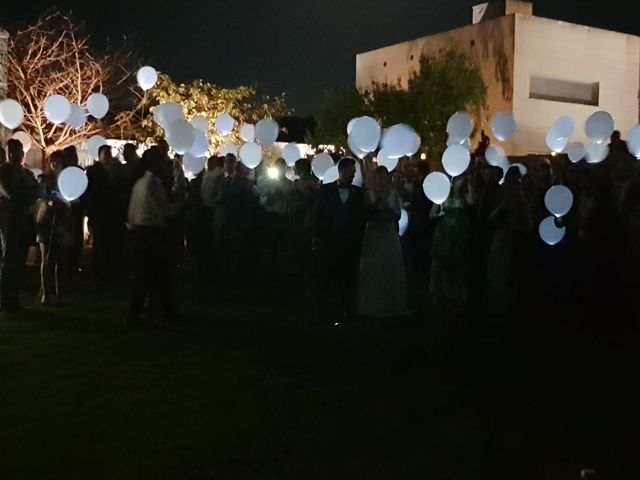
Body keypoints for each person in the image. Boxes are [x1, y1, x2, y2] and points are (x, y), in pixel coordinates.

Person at [125, 147, 178, 324]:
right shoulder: (153, 183)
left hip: (138, 232)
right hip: (152, 233)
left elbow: (132, 212)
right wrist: (180, 205)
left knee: (142, 276)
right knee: (160, 275)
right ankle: (163, 311)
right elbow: (161, 210)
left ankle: (139, 312)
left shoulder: (139, 183)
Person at [314, 157, 365, 320]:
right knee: (327, 276)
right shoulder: (325, 190)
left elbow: (360, 218)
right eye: (351, 170)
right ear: (341, 171)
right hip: (330, 241)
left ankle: (346, 310)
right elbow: (319, 214)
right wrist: (318, 235)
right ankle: (325, 309)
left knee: (348, 278)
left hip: (350, 243)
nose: (353, 174)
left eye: (354, 171)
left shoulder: (358, 193)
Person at [358, 166, 409, 317]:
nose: (384, 181)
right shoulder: (370, 194)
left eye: (386, 178)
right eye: (381, 178)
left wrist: (390, 211)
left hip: (389, 232)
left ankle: (391, 302)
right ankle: (373, 303)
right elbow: (368, 214)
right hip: (375, 233)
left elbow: (398, 214)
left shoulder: (393, 194)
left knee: (390, 264)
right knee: (375, 265)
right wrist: (380, 207)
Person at [484, 166, 532, 315]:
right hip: (502, 241)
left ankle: (507, 305)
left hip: (514, 243)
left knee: (509, 275)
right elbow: (491, 219)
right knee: (499, 274)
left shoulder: (522, 203)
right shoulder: (503, 201)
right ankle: (498, 304)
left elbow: (528, 225)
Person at [0, 140, 40, 312]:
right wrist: (26, 196)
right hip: (9, 221)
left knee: (19, 260)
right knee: (9, 260)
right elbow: (10, 193)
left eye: (15, 151)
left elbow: (37, 192)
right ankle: (5, 299)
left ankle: (14, 298)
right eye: (10, 151)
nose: (12, 155)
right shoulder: (2, 172)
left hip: (24, 221)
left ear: (22, 154)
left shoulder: (27, 173)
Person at [429, 175, 473, 307]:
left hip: (459, 235)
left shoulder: (464, 198)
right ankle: (437, 295)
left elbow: (472, 203)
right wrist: (439, 215)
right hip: (443, 234)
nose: (461, 182)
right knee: (439, 265)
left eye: (462, 180)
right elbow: (431, 215)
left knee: (458, 265)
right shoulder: (442, 198)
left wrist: (469, 188)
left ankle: (456, 295)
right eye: (459, 179)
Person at [212, 154, 254, 291]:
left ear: (235, 164)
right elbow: (211, 197)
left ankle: (235, 282)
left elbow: (247, 202)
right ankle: (221, 280)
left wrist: (246, 221)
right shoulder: (218, 179)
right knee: (221, 250)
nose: (229, 165)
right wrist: (219, 198)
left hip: (236, 220)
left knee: (235, 251)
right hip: (221, 219)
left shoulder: (242, 181)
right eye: (226, 162)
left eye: (231, 162)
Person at [36, 151, 73, 305]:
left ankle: (60, 294)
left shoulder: (69, 180)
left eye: (58, 161)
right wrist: (49, 201)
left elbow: (74, 198)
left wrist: (67, 203)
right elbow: (39, 195)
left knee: (61, 260)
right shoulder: (45, 179)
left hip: (63, 220)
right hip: (47, 219)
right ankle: (45, 292)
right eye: (52, 161)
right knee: (47, 258)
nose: (55, 164)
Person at [85, 145, 127, 280]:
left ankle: (111, 269)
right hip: (99, 211)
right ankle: (100, 270)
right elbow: (90, 191)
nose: (108, 156)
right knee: (99, 242)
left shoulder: (117, 170)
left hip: (113, 212)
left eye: (109, 153)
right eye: (105, 153)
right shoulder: (94, 170)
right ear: (99, 155)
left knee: (112, 242)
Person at [255, 158, 292, 282]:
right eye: (279, 167)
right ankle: (270, 272)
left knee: (282, 246)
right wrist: (269, 198)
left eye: (283, 167)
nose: (281, 169)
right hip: (270, 216)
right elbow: (262, 199)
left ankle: (281, 273)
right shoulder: (268, 182)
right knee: (270, 245)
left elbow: (290, 198)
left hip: (282, 217)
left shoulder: (288, 183)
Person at [288, 158, 319, 299]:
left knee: (307, 256)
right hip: (299, 222)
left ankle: (308, 287)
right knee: (301, 254)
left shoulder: (311, 184)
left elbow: (311, 202)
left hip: (307, 222)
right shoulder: (301, 183)